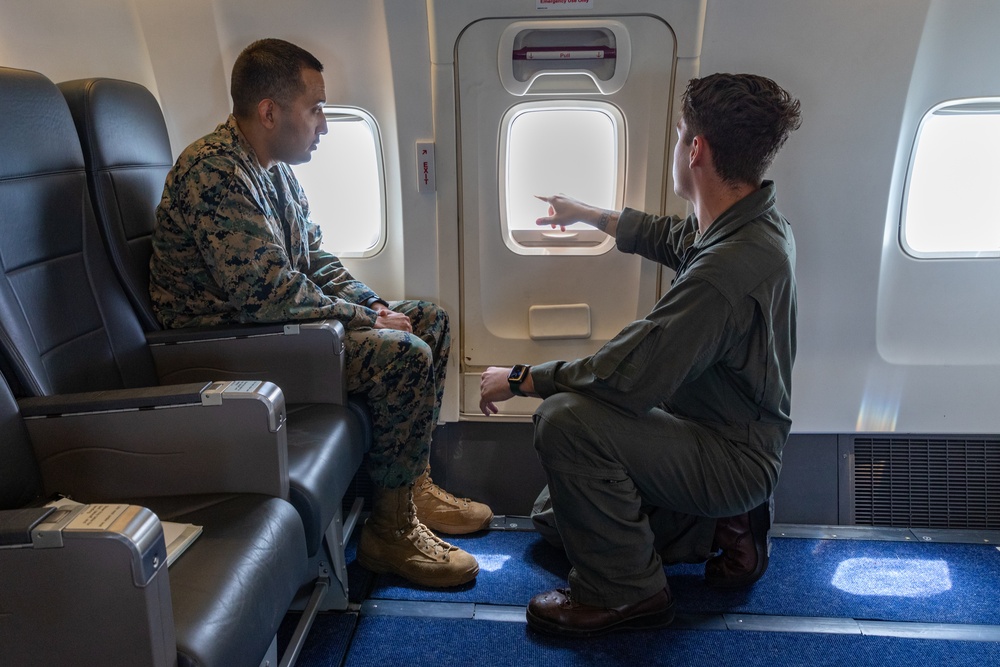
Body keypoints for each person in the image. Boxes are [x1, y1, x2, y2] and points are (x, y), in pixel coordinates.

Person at [149, 38, 492, 588]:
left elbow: (315, 261)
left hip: (275, 334)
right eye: (314, 109)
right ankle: (390, 533)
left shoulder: (274, 172)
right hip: (229, 352)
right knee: (401, 354)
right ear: (269, 112)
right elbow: (268, 292)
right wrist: (365, 323)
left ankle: (410, 488)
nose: (324, 125)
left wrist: (372, 305)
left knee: (428, 320)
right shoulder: (214, 173)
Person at [480, 72, 801, 636]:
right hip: (710, 429)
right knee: (553, 518)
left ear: (696, 149)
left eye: (680, 135)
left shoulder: (728, 268)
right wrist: (586, 213)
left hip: (731, 454)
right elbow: (672, 238)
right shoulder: (750, 224)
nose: (678, 145)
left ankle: (626, 594)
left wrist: (523, 377)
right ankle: (719, 528)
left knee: (564, 422)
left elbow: (630, 375)